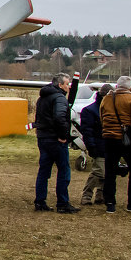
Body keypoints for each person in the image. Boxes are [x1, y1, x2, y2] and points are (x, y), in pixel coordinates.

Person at [100, 76, 131, 213]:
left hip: (109, 138)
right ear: (130, 88)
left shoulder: (107, 99)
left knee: (110, 171)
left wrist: (107, 131)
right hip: (128, 140)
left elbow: (101, 117)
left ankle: (110, 203)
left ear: (117, 86)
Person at [33, 73, 79, 213]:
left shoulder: (42, 98)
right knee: (64, 171)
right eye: (67, 84)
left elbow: (39, 117)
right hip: (55, 139)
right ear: (60, 85)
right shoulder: (60, 98)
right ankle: (63, 203)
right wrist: (63, 136)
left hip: (43, 138)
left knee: (44, 171)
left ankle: (40, 201)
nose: (68, 87)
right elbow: (60, 117)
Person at [78, 84, 112, 205]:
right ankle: (87, 195)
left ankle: (100, 195)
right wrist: (91, 146)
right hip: (98, 145)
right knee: (99, 171)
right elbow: (87, 131)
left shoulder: (111, 109)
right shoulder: (89, 110)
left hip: (110, 145)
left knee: (106, 171)